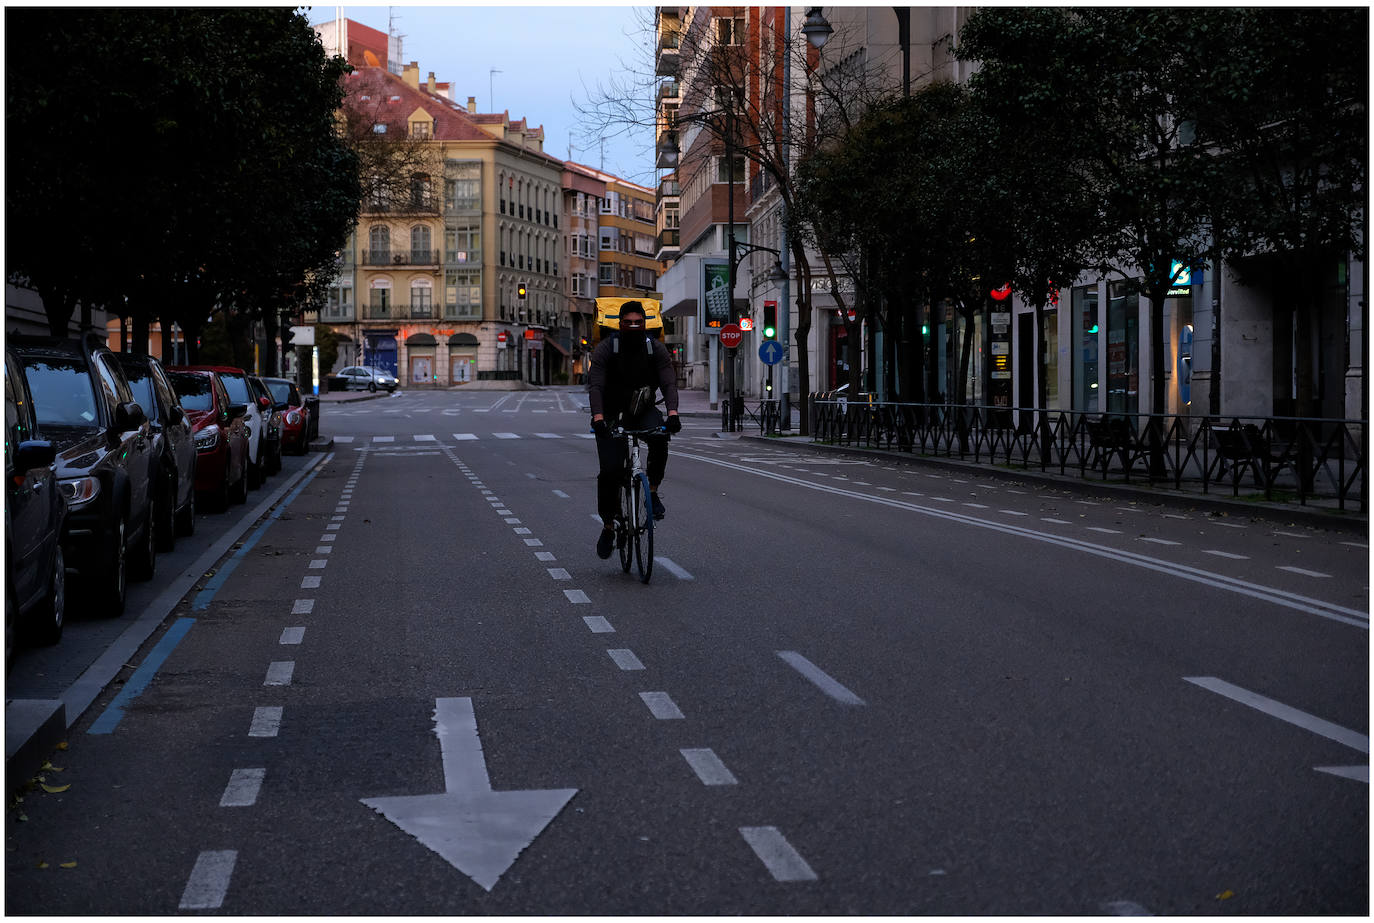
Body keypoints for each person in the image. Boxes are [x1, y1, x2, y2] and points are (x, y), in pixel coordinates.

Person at [586, 301, 681, 559]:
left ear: (645, 324)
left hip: (643, 408)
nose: (633, 327)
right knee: (610, 471)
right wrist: (597, 419)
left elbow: (669, 382)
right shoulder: (607, 348)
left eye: (638, 323)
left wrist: (672, 413)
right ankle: (608, 526)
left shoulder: (655, 348)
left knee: (661, 438)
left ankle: (652, 490)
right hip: (610, 412)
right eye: (628, 323)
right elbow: (595, 386)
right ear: (619, 324)